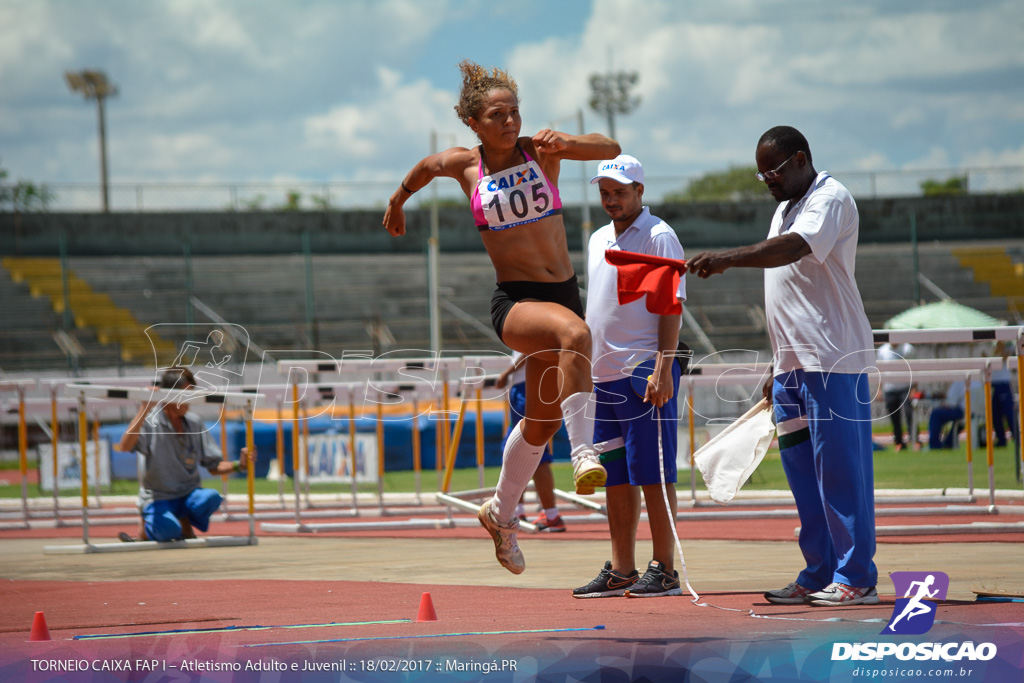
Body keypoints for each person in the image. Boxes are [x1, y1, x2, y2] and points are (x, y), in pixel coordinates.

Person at [383, 60, 620, 573]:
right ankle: (584, 455)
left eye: (515, 112)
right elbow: (425, 167)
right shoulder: (465, 166)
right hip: (515, 301)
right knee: (575, 334)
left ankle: (501, 514)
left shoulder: (541, 150)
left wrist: (571, 140)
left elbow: (610, 148)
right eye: (498, 114)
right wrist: (399, 200)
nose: (511, 122)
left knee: (539, 423)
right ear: (474, 121)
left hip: (562, 292)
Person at [688, 126, 879, 607]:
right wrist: (775, 368)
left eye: (772, 170)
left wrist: (729, 259)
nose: (766, 180)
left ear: (800, 159)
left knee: (840, 471)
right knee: (802, 473)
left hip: (832, 358)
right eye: (761, 173)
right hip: (792, 365)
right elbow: (789, 291)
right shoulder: (783, 207)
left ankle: (855, 574)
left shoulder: (830, 197)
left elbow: (795, 249)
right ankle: (818, 571)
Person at [572, 154, 687, 599]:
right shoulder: (599, 236)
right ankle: (622, 567)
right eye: (604, 192)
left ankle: (665, 569)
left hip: (642, 371)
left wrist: (663, 366)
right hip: (603, 374)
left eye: (619, 192)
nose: (611, 199)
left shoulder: (658, 237)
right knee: (615, 476)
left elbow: (670, 305)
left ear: (640, 191)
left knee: (653, 474)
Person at [116, 367, 252, 542]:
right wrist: (144, 408)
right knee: (168, 532)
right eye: (185, 395)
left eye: (191, 394)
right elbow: (125, 446)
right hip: (159, 496)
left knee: (211, 498)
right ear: (169, 395)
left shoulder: (194, 422)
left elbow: (213, 466)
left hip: (188, 494)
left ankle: (184, 520)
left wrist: (238, 465)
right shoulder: (151, 422)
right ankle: (147, 529)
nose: (189, 401)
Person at [494, 352, 564, 532]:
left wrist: (506, 373)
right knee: (516, 448)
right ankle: (519, 510)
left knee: (532, 449)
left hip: (528, 385)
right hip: (526, 384)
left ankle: (551, 514)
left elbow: (530, 348)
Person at [876, 342, 916, 451]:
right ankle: (899, 442)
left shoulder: (908, 348)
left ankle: (915, 440)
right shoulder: (882, 350)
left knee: (909, 413)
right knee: (894, 417)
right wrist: (879, 389)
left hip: (905, 386)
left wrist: (914, 388)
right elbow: (880, 370)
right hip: (890, 388)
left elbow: (915, 368)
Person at [927, 380, 968, 450]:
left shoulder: (958, 382)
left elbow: (951, 404)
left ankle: (934, 445)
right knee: (939, 414)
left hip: (962, 411)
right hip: (975, 411)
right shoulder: (978, 381)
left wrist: (941, 405)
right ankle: (948, 443)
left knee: (935, 414)